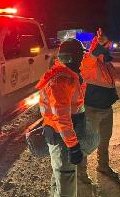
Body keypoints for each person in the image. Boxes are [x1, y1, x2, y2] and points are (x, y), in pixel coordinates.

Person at [36, 39, 87, 197]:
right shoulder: (63, 80)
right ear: (73, 58)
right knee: (65, 177)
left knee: (59, 175)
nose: (82, 60)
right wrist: (73, 146)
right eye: (81, 57)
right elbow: (62, 117)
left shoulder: (62, 74)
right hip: (62, 138)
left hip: (61, 134)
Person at [78, 28, 119, 183]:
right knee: (88, 141)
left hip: (107, 109)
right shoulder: (89, 62)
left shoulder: (107, 65)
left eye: (108, 46)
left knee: (104, 140)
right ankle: (81, 172)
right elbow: (88, 60)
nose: (108, 49)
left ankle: (103, 166)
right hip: (91, 109)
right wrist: (98, 46)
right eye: (105, 47)